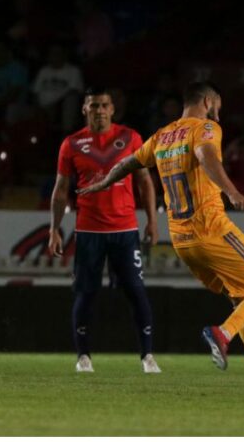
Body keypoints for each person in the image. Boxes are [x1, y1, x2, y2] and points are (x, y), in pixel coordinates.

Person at [78, 82, 244, 388]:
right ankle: (222, 333)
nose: (219, 110)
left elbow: (127, 163)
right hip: (212, 228)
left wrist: (102, 183)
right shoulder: (204, 128)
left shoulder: (163, 135)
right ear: (206, 100)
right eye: (217, 103)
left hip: (182, 240)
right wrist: (231, 190)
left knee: (242, 299)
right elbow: (206, 157)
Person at [48, 88, 161, 374]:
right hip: (89, 231)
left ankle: (147, 356)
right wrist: (54, 228)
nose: (99, 110)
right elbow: (61, 190)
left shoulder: (131, 138)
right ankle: (83, 357)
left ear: (113, 109)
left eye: (104, 105)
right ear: (84, 110)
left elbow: (145, 181)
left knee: (136, 291)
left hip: (125, 230)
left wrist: (152, 220)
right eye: (93, 105)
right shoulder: (71, 144)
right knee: (86, 293)